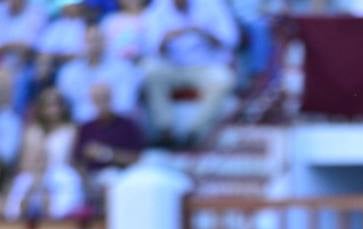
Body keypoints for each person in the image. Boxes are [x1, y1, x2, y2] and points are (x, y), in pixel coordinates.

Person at [143, 0, 239, 146]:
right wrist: (166, 39)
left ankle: (194, 133)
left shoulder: (212, 5)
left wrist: (203, 32)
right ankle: (165, 130)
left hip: (205, 66)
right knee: (150, 71)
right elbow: (151, 48)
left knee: (224, 79)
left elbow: (231, 40)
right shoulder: (158, 7)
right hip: (172, 67)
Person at [56, 23, 142, 124]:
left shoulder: (124, 68)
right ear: (81, 44)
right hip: (80, 125)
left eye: (97, 40)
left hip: (116, 122)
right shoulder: (68, 72)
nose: (94, 45)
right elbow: (68, 105)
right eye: (89, 41)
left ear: (106, 42)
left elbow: (126, 102)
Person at [20, 87, 77, 172]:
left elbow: (73, 161)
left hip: (61, 173)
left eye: (55, 105)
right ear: (41, 109)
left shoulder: (70, 131)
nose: (52, 110)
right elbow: (24, 163)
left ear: (62, 107)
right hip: (33, 172)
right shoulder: (32, 132)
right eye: (48, 106)